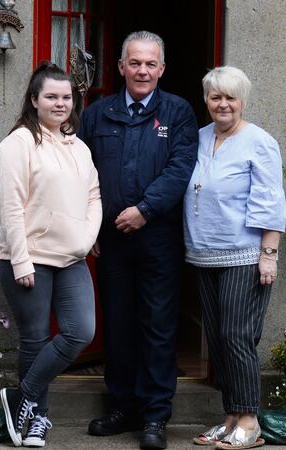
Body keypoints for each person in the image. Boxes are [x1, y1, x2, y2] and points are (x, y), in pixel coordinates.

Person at [79, 31, 198, 450]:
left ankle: (154, 416)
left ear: (162, 69)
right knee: (118, 325)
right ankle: (124, 407)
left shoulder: (178, 112)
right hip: (110, 241)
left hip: (158, 239)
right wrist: (89, 227)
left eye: (150, 64)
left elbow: (181, 169)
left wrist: (145, 209)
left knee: (158, 327)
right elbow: (82, 172)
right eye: (135, 62)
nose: (142, 70)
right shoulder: (97, 113)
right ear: (121, 67)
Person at [0, 62, 102, 448]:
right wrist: (21, 260)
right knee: (35, 339)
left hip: (71, 258)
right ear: (34, 99)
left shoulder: (79, 147)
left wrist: (85, 237)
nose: (60, 104)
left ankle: (19, 398)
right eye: (52, 97)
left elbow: (94, 196)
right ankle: (35, 420)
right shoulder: (18, 143)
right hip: (29, 257)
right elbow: (10, 206)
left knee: (80, 332)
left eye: (66, 97)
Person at [184, 66, 286, 449]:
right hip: (203, 252)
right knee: (217, 337)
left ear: (243, 101)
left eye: (230, 97)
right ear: (206, 101)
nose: (222, 104)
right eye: (215, 97)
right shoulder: (198, 138)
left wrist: (269, 255)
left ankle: (250, 419)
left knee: (237, 335)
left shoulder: (259, 142)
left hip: (244, 254)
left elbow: (270, 201)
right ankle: (230, 416)